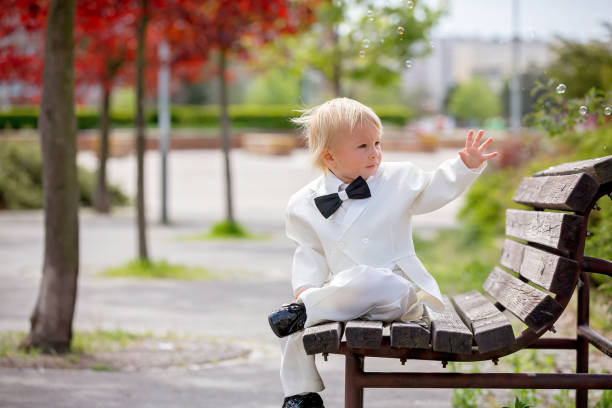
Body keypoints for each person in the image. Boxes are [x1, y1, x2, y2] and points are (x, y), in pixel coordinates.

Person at [268, 97, 498, 408]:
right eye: (363, 146)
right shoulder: (304, 202)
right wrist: (305, 289)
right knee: (297, 318)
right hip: (342, 298)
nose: (375, 152)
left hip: (397, 294)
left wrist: (464, 166)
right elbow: (310, 252)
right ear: (329, 155)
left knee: (366, 281)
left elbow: (433, 190)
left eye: (378, 142)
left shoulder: (398, 178)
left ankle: (307, 309)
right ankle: (300, 394)